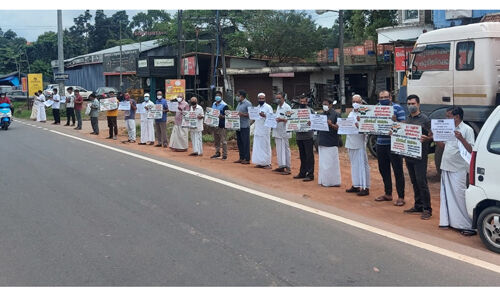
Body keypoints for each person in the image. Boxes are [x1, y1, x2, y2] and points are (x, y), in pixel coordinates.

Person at [437, 106, 476, 236]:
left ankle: (467, 224)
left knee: (460, 196)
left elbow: (471, 150)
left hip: (459, 167)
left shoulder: (467, 129)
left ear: (456, 117)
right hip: (446, 165)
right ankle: (450, 221)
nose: (446, 119)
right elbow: (444, 146)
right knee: (447, 195)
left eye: (448, 116)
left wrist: (461, 139)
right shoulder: (448, 129)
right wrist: (436, 138)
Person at [374, 90, 406, 206]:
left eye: (385, 97)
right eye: (381, 98)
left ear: (390, 98)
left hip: (394, 144)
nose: (383, 100)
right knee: (383, 169)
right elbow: (371, 122)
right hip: (381, 143)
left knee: (398, 171)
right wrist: (362, 122)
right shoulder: (376, 108)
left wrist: (395, 121)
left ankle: (401, 196)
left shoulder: (398, 108)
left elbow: (403, 125)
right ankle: (388, 193)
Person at [403, 94, 433, 220]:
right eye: (409, 104)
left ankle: (427, 208)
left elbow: (433, 136)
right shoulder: (407, 119)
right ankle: (418, 204)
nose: (411, 106)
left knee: (421, 182)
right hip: (409, 154)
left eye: (413, 104)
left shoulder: (425, 119)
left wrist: (428, 138)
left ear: (418, 104)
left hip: (420, 155)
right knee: (414, 181)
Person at [345, 95, 370, 196]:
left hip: (360, 142)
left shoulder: (365, 113)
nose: (355, 103)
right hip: (351, 141)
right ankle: (356, 184)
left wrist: (360, 125)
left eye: (357, 101)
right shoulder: (351, 113)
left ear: (361, 102)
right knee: (354, 164)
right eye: (353, 101)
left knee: (362, 165)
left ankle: (365, 187)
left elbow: (369, 127)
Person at [317, 99, 341, 187]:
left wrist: (331, 125)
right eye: (323, 104)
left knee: (331, 163)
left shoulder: (336, 115)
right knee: (323, 163)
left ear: (331, 105)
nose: (324, 106)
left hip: (331, 141)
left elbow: (339, 128)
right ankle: (324, 180)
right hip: (322, 140)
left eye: (326, 104)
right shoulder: (321, 115)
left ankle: (333, 181)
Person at [294, 95, 315, 182]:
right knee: (302, 155)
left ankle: (310, 174)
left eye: (304, 102)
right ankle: (302, 172)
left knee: (309, 156)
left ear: (307, 102)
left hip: (308, 136)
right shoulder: (295, 111)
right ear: (299, 101)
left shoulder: (311, 111)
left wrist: (311, 123)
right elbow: (292, 120)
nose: (302, 103)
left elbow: (315, 121)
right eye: (301, 101)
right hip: (299, 136)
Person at [251, 92, 273, 169]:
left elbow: (271, 118)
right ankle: (260, 162)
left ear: (265, 99)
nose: (261, 100)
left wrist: (264, 115)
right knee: (258, 146)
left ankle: (268, 163)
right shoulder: (257, 107)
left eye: (262, 98)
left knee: (265, 146)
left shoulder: (268, 107)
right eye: (260, 98)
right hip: (258, 129)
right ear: (258, 99)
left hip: (265, 130)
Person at [272, 92, 292, 175]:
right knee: (279, 149)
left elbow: (290, 119)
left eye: (279, 98)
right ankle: (281, 165)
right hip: (277, 131)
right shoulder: (278, 107)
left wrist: (282, 120)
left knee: (285, 150)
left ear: (284, 98)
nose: (278, 99)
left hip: (284, 132)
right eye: (277, 98)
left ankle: (288, 167)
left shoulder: (287, 107)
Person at [234, 90, 252, 165]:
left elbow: (251, 114)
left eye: (238, 95)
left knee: (245, 142)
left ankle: (247, 159)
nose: (237, 97)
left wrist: (243, 114)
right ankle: (241, 157)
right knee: (239, 142)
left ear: (242, 96)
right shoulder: (239, 104)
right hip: (238, 126)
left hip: (245, 126)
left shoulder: (248, 104)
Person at [210, 91, 228, 160]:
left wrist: (221, 116)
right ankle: (217, 153)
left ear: (221, 97)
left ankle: (224, 155)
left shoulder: (224, 105)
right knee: (216, 140)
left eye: (219, 96)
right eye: (216, 96)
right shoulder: (214, 104)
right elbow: (212, 112)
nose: (217, 97)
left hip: (222, 125)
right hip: (215, 124)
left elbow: (228, 116)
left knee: (223, 140)